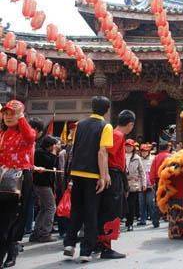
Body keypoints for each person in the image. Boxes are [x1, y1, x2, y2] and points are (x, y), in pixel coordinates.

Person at [63, 96, 113, 263]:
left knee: (76, 210)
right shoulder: (106, 126)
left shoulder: (80, 125)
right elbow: (102, 153)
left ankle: (69, 244)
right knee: (91, 213)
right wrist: (104, 175)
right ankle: (86, 250)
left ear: (92, 107)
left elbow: (75, 149)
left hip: (77, 172)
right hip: (92, 175)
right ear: (107, 110)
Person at [0, 100, 37, 268]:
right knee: (3, 216)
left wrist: (21, 117)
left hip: (21, 177)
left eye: (12, 113)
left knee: (17, 215)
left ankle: (12, 250)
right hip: (4, 176)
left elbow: (30, 137)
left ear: (21, 115)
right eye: (6, 113)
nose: (8, 117)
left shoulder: (26, 132)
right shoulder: (2, 133)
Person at [96, 110, 135, 259]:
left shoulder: (115, 133)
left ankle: (101, 243)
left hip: (113, 174)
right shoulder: (118, 135)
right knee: (111, 210)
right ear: (130, 124)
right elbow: (105, 153)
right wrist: (105, 175)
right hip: (113, 175)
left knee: (109, 209)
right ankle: (106, 246)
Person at [30, 135, 59, 243]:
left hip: (43, 184)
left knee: (44, 208)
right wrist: (54, 152)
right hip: (42, 184)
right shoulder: (40, 153)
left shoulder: (42, 152)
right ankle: (45, 233)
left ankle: (37, 232)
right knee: (51, 207)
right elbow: (51, 163)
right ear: (50, 145)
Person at [125, 139, 145, 231]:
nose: (128, 147)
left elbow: (142, 171)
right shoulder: (120, 155)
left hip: (133, 184)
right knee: (122, 204)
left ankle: (130, 223)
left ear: (133, 147)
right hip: (122, 183)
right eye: (126, 145)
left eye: (130, 146)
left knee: (131, 204)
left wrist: (143, 183)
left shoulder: (137, 157)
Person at [138, 144, 157, 227]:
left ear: (148, 151)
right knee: (141, 203)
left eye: (145, 151)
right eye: (142, 151)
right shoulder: (138, 159)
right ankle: (143, 219)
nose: (144, 153)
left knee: (151, 203)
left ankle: (154, 219)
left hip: (150, 184)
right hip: (141, 183)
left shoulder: (153, 158)